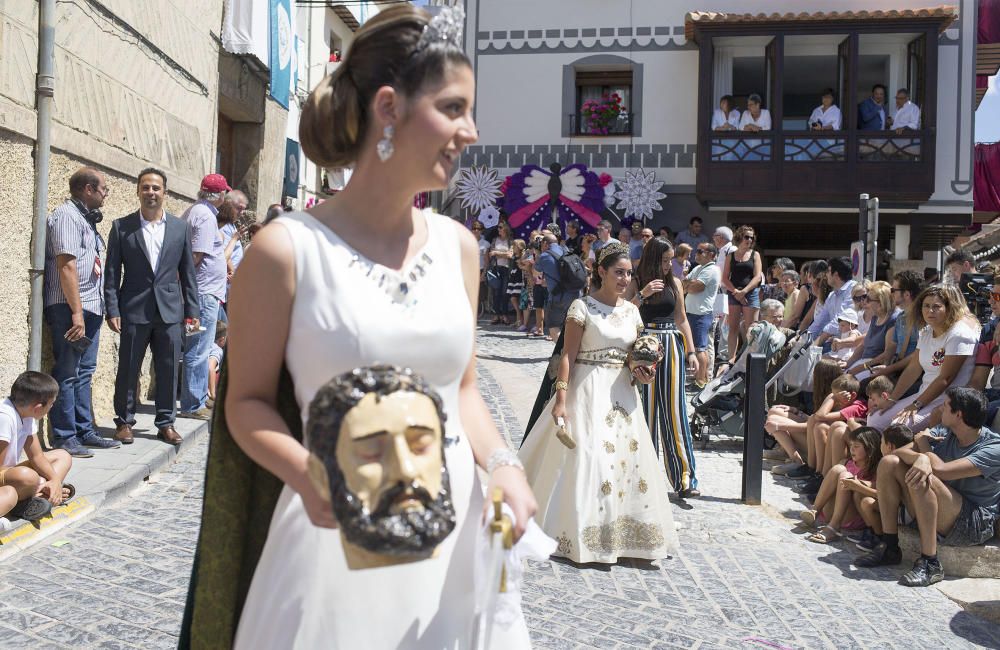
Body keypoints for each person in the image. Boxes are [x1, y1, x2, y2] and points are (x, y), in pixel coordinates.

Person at [181, 8, 537, 647]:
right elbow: (247, 403)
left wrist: (504, 465)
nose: (473, 132)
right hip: (334, 539)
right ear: (390, 107)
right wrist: (307, 473)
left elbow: (462, 392)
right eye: (454, 109)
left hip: (451, 539)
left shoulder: (460, 248)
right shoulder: (286, 251)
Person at [518, 242, 678, 563]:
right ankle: (581, 533)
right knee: (590, 458)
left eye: (628, 274)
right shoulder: (582, 308)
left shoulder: (632, 311)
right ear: (601, 272)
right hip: (586, 388)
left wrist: (643, 372)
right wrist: (561, 401)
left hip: (622, 394)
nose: (624, 279)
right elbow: (568, 356)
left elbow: (634, 356)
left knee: (623, 459)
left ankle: (619, 535)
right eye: (618, 272)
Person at [858, 387, 1000, 587]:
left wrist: (923, 450)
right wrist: (921, 457)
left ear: (958, 414)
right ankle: (889, 546)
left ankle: (930, 563)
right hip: (941, 504)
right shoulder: (945, 429)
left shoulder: (994, 448)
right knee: (889, 463)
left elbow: (941, 471)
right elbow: (899, 453)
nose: (940, 409)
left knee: (923, 476)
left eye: (945, 405)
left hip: (973, 522)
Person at [104, 168, 199, 446]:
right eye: (145, 187)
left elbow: (188, 273)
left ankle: (166, 423)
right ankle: (124, 421)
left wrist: (193, 312)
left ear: (164, 193)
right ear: (138, 191)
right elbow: (111, 273)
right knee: (129, 368)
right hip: (133, 309)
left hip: (170, 310)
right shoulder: (122, 227)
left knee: (168, 368)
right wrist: (113, 309)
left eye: (156, 188)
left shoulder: (180, 228)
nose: (151, 193)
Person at [42, 167, 120, 457]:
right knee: (67, 371)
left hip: (91, 306)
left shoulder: (86, 219)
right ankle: (64, 436)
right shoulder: (66, 216)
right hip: (69, 308)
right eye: (103, 189)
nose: (106, 194)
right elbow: (67, 265)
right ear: (88, 189)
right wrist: (76, 313)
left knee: (85, 371)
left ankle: (85, 430)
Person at [627, 238, 700, 498]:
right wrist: (642, 295)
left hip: (671, 344)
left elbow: (681, 319)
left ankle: (685, 478)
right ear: (653, 259)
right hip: (644, 346)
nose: (670, 265)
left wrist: (692, 351)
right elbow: (623, 312)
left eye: (671, 260)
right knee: (645, 412)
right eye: (665, 260)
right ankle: (644, 479)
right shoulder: (636, 281)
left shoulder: (676, 283)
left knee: (675, 411)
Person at [867, 285, 980, 431]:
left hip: (945, 401)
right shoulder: (927, 331)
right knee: (875, 419)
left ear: (949, 308)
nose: (930, 311)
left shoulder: (959, 334)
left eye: (936, 306)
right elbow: (913, 368)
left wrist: (916, 405)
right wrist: (892, 399)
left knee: (897, 429)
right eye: (926, 306)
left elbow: (945, 379)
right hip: (923, 394)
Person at [179, 174, 232, 420]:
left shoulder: (197, 211)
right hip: (202, 296)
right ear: (219, 195)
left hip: (201, 295)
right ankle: (192, 403)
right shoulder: (206, 215)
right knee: (198, 347)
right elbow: (196, 256)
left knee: (197, 345)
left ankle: (197, 397)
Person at [0, 372, 73, 527]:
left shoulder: (26, 415)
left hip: (7, 474)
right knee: (27, 478)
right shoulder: (4, 417)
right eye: (51, 404)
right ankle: (36, 499)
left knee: (62, 456)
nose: (52, 407)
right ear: (38, 408)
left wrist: (54, 481)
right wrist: (39, 483)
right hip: (4, 473)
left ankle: (40, 499)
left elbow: (37, 456)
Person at [801, 427, 881, 544]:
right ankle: (815, 511)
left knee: (845, 474)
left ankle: (834, 527)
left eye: (857, 446)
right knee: (838, 468)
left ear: (870, 448)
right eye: (851, 445)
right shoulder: (846, 462)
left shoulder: (876, 470)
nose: (852, 449)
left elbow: (878, 491)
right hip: (832, 511)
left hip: (852, 516)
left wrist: (857, 484)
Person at [721, 226, 763, 364]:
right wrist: (736, 292)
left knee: (751, 329)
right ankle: (731, 359)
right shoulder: (730, 255)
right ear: (740, 237)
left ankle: (750, 359)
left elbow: (757, 277)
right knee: (733, 328)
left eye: (751, 237)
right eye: (746, 237)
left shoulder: (755, 255)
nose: (749, 240)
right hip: (734, 292)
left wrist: (744, 292)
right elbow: (725, 278)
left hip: (750, 294)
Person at [684, 243, 721, 388]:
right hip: (692, 313)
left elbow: (695, 288)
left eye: (700, 251)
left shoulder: (712, 269)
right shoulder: (699, 268)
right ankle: (699, 379)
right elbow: (684, 284)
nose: (696, 254)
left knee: (700, 348)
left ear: (711, 255)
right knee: (696, 347)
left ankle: (700, 382)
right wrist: (688, 284)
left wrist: (688, 284)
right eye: (696, 251)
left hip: (701, 315)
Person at [844, 281, 899, 378]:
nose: (864, 302)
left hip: (875, 367)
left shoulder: (893, 321)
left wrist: (863, 367)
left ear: (881, 302)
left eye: (868, 299)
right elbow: (863, 345)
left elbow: (887, 355)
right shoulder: (875, 317)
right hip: (864, 363)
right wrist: (847, 364)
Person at [537, 233, 582, 341]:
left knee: (553, 327)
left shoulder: (545, 256)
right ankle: (572, 352)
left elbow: (536, 273)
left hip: (558, 297)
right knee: (570, 326)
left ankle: (565, 354)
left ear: (544, 243)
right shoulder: (566, 250)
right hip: (576, 294)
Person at [808, 256, 857, 343]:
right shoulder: (832, 296)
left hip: (846, 345)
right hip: (832, 343)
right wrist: (804, 339)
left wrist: (817, 343)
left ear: (836, 275)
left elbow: (839, 320)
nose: (826, 275)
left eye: (828, 271)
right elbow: (820, 321)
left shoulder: (854, 290)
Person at [489, 221, 514, 324]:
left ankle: (505, 314)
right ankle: (496, 315)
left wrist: (497, 253)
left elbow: (510, 255)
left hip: (507, 269)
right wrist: (502, 254)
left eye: (500, 227)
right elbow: (491, 253)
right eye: (498, 227)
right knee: (496, 293)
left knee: (505, 293)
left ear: (505, 229)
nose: (498, 229)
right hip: (496, 268)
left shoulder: (510, 241)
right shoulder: (495, 240)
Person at [739, 93, 771, 160]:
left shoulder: (766, 113)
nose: (748, 107)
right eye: (748, 105)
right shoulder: (745, 113)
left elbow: (768, 128)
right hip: (746, 148)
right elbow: (741, 128)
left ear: (758, 105)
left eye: (751, 105)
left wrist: (754, 127)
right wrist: (750, 126)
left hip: (763, 147)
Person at [506, 238, 526, 328]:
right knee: (513, 298)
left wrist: (520, 263)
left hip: (519, 279)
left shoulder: (522, 256)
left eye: (515, 246)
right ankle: (519, 319)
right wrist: (511, 249)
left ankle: (520, 319)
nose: (513, 247)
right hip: (513, 278)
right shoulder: (514, 255)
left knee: (514, 298)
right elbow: (509, 253)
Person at [207, 321, 227, 407]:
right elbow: (210, 367)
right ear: (222, 339)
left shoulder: (206, 344)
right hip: (206, 389)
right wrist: (212, 394)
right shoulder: (217, 350)